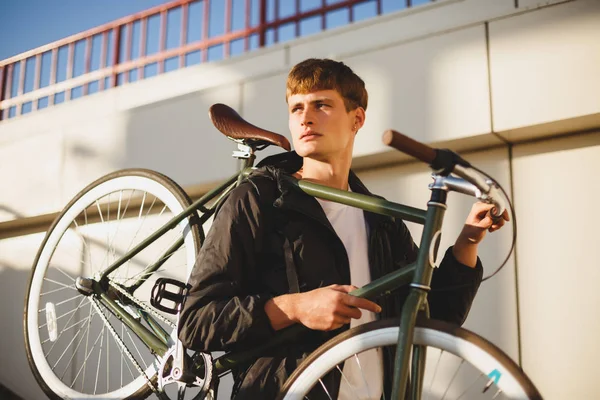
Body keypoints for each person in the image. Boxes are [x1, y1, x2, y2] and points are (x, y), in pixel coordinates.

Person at [178, 58, 509, 399]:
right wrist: (295, 307)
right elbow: (197, 321)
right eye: (296, 108)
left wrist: (467, 242)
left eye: (321, 105)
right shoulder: (259, 198)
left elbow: (431, 319)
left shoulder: (381, 218)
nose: (305, 118)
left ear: (357, 119)